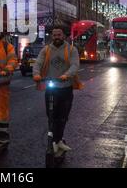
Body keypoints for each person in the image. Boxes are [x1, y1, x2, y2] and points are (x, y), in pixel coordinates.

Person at [33, 27, 80, 156]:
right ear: (52, 37)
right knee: (51, 116)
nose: (56, 37)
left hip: (66, 88)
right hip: (51, 89)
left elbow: (75, 65)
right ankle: (55, 140)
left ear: (63, 35)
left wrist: (67, 75)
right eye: (54, 35)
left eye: (59, 34)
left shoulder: (71, 49)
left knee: (62, 117)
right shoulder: (46, 50)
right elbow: (38, 63)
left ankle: (58, 140)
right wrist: (36, 74)